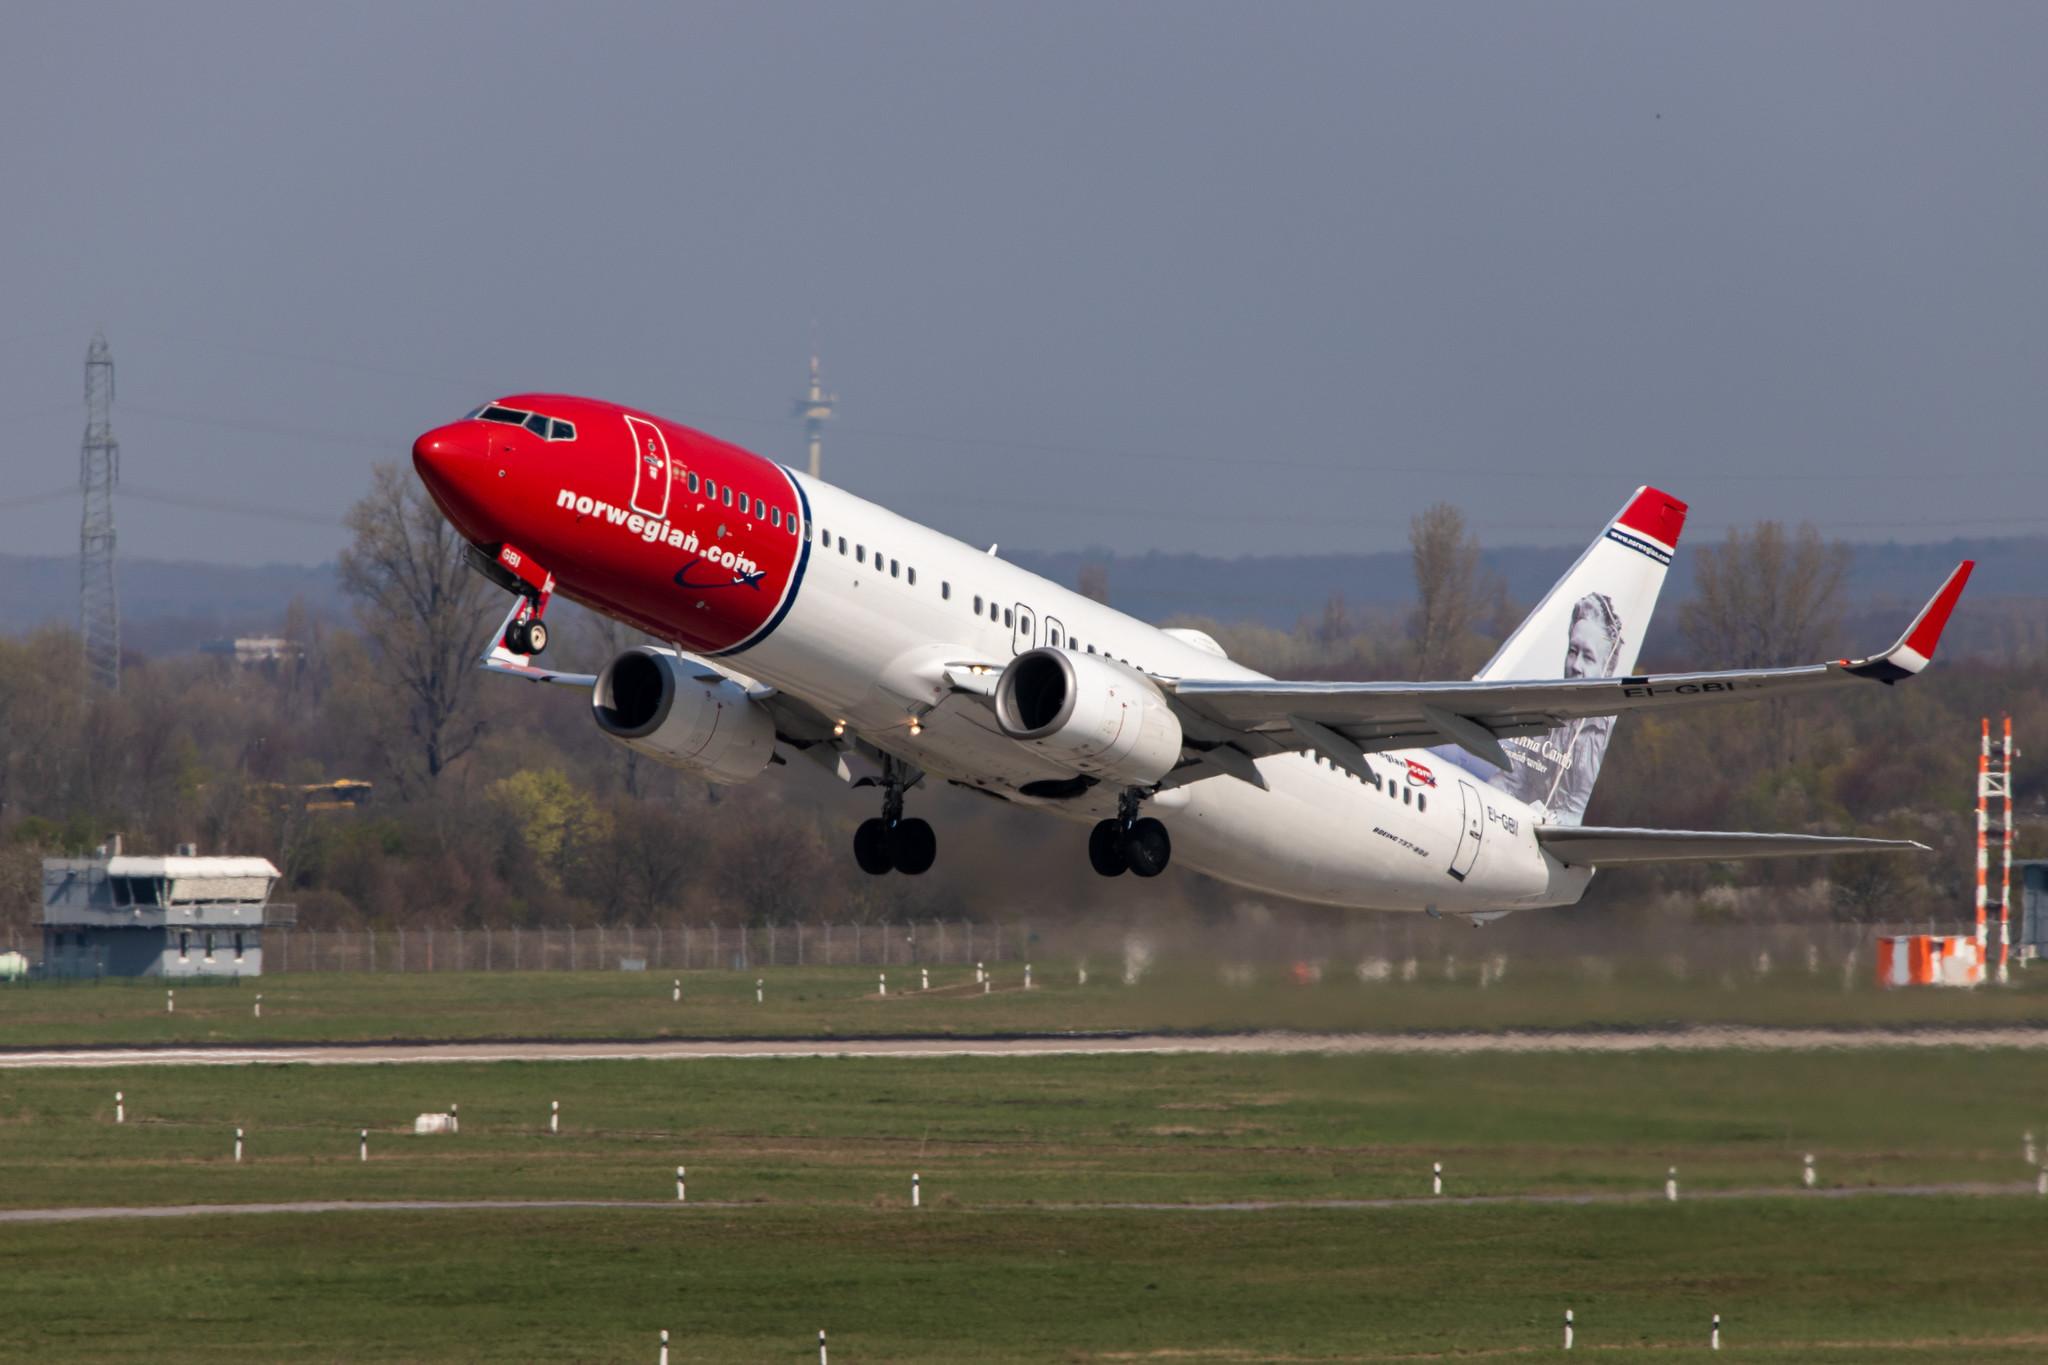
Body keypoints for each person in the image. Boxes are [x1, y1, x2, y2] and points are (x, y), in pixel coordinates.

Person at [1496, 591, 1624, 823]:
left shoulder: (1600, 733)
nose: (1575, 665)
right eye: (1572, 652)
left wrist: (1545, 818)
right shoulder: (1540, 712)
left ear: (1607, 670)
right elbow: (1510, 781)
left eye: (1588, 657)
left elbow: (1577, 814)